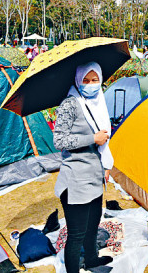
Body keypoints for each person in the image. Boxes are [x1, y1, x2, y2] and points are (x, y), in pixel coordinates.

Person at [53, 62, 113, 272]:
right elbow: (59, 140)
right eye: (85, 80)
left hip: (95, 178)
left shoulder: (99, 102)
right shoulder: (70, 104)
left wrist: (105, 164)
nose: (90, 85)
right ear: (78, 81)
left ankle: (92, 259)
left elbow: (103, 141)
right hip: (76, 181)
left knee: (92, 227)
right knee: (76, 234)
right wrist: (91, 138)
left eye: (94, 80)